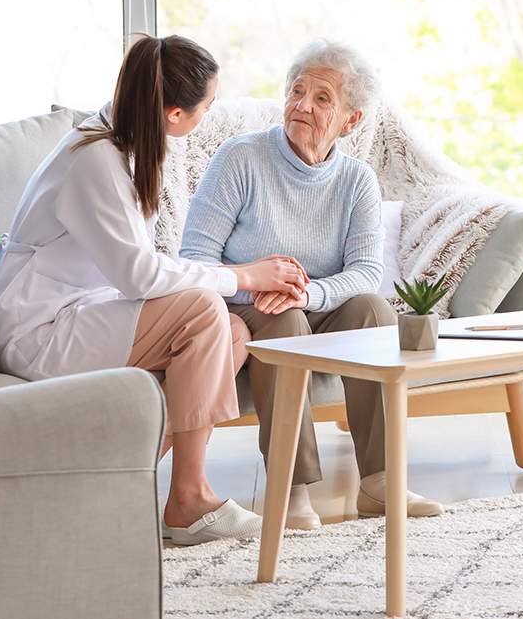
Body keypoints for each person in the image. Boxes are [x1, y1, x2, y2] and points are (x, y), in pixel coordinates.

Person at [0, 34, 308, 546]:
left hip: (81, 312)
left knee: (232, 333)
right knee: (205, 312)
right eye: (208, 105)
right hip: (39, 331)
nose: (210, 113)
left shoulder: (122, 145)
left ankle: (109, 483)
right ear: (175, 114)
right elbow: (139, 276)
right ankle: (189, 500)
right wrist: (244, 276)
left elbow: (140, 269)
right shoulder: (94, 160)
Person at [180, 39, 444, 530]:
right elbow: (195, 260)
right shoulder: (240, 159)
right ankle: (292, 488)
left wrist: (307, 293)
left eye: (322, 98)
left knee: (373, 310)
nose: (302, 105)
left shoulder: (357, 181)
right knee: (285, 320)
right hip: (244, 304)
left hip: (314, 302)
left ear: (350, 120)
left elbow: (365, 272)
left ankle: (380, 480)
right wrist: (259, 287)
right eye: (297, 91)